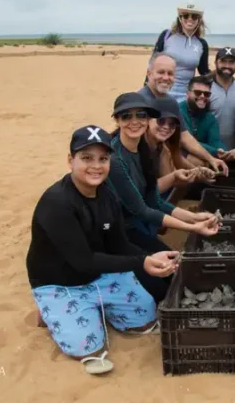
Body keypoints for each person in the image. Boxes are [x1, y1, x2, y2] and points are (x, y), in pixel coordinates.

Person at [26, 125, 179, 372]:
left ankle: (94, 308)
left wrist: (149, 257)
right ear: (70, 160)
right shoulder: (57, 203)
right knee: (90, 349)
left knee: (145, 321)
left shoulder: (107, 194)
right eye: (86, 158)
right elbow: (83, 261)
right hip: (62, 281)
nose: (95, 166)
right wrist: (141, 263)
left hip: (100, 274)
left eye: (103, 159)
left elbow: (119, 244)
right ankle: (51, 309)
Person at [105, 92, 219, 301]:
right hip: (112, 234)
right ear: (117, 120)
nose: (134, 121)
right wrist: (193, 227)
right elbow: (142, 209)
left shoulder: (143, 149)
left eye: (140, 115)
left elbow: (154, 200)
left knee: (176, 269)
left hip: (131, 226)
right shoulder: (115, 160)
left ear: (147, 119)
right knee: (161, 292)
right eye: (126, 116)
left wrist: (194, 217)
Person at [139, 52, 229, 176]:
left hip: (167, 157)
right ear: (149, 74)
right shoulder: (140, 101)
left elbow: (185, 137)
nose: (166, 77)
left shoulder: (170, 102)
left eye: (170, 73)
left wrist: (211, 158)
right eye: (161, 72)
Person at [143, 97, 214, 200]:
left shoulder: (162, 148)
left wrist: (198, 172)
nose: (166, 127)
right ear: (148, 120)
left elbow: (171, 184)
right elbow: (140, 192)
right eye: (161, 121)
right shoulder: (137, 147)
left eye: (172, 124)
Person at [149, 1, 211, 102]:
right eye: (185, 15)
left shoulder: (201, 44)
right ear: (180, 18)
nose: (190, 19)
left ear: (199, 20)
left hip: (186, 97)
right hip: (161, 92)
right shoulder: (167, 36)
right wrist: (147, 90)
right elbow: (152, 65)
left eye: (194, 16)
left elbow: (204, 71)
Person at [208, 47, 235, 152]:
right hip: (210, 149)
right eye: (223, 61)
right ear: (216, 63)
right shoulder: (205, 87)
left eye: (231, 62)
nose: (227, 66)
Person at [179, 75, 227, 160]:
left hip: (205, 160)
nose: (202, 96)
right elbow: (188, 142)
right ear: (188, 94)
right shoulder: (179, 111)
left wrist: (224, 151)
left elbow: (215, 141)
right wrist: (215, 152)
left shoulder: (210, 118)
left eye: (206, 94)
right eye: (198, 92)